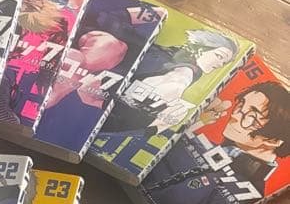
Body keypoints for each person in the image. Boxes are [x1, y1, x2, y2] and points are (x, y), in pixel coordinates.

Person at [144, 80, 290, 204]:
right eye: (241, 105)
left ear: (274, 141)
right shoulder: (201, 141)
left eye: (251, 117)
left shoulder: (245, 192)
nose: (234, 116)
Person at [102, 29, 238, 135]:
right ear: (202, 49)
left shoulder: (175, 56)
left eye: (224, 62)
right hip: (111, 115)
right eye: (219, 56)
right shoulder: (183, 74)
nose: (220, 64)